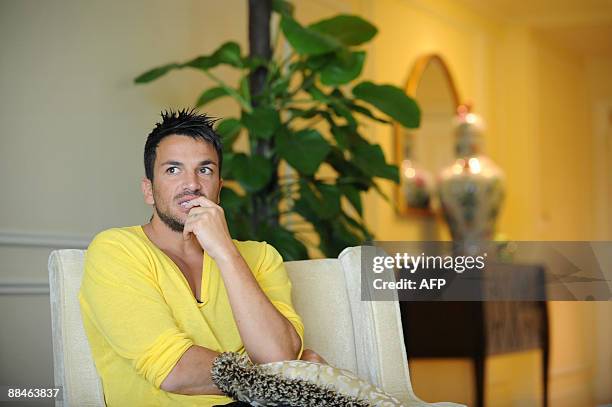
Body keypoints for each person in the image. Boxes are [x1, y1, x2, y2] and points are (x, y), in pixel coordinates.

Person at [79, 109, 325, 407]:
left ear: (219, 188)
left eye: (205, 170)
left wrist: (225, 252)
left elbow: (278, 354)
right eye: (173, 170)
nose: (192, 184)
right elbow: (174, 370)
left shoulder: (260, 257)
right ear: (148, 190)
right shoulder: (116, 250)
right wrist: (286, 378)